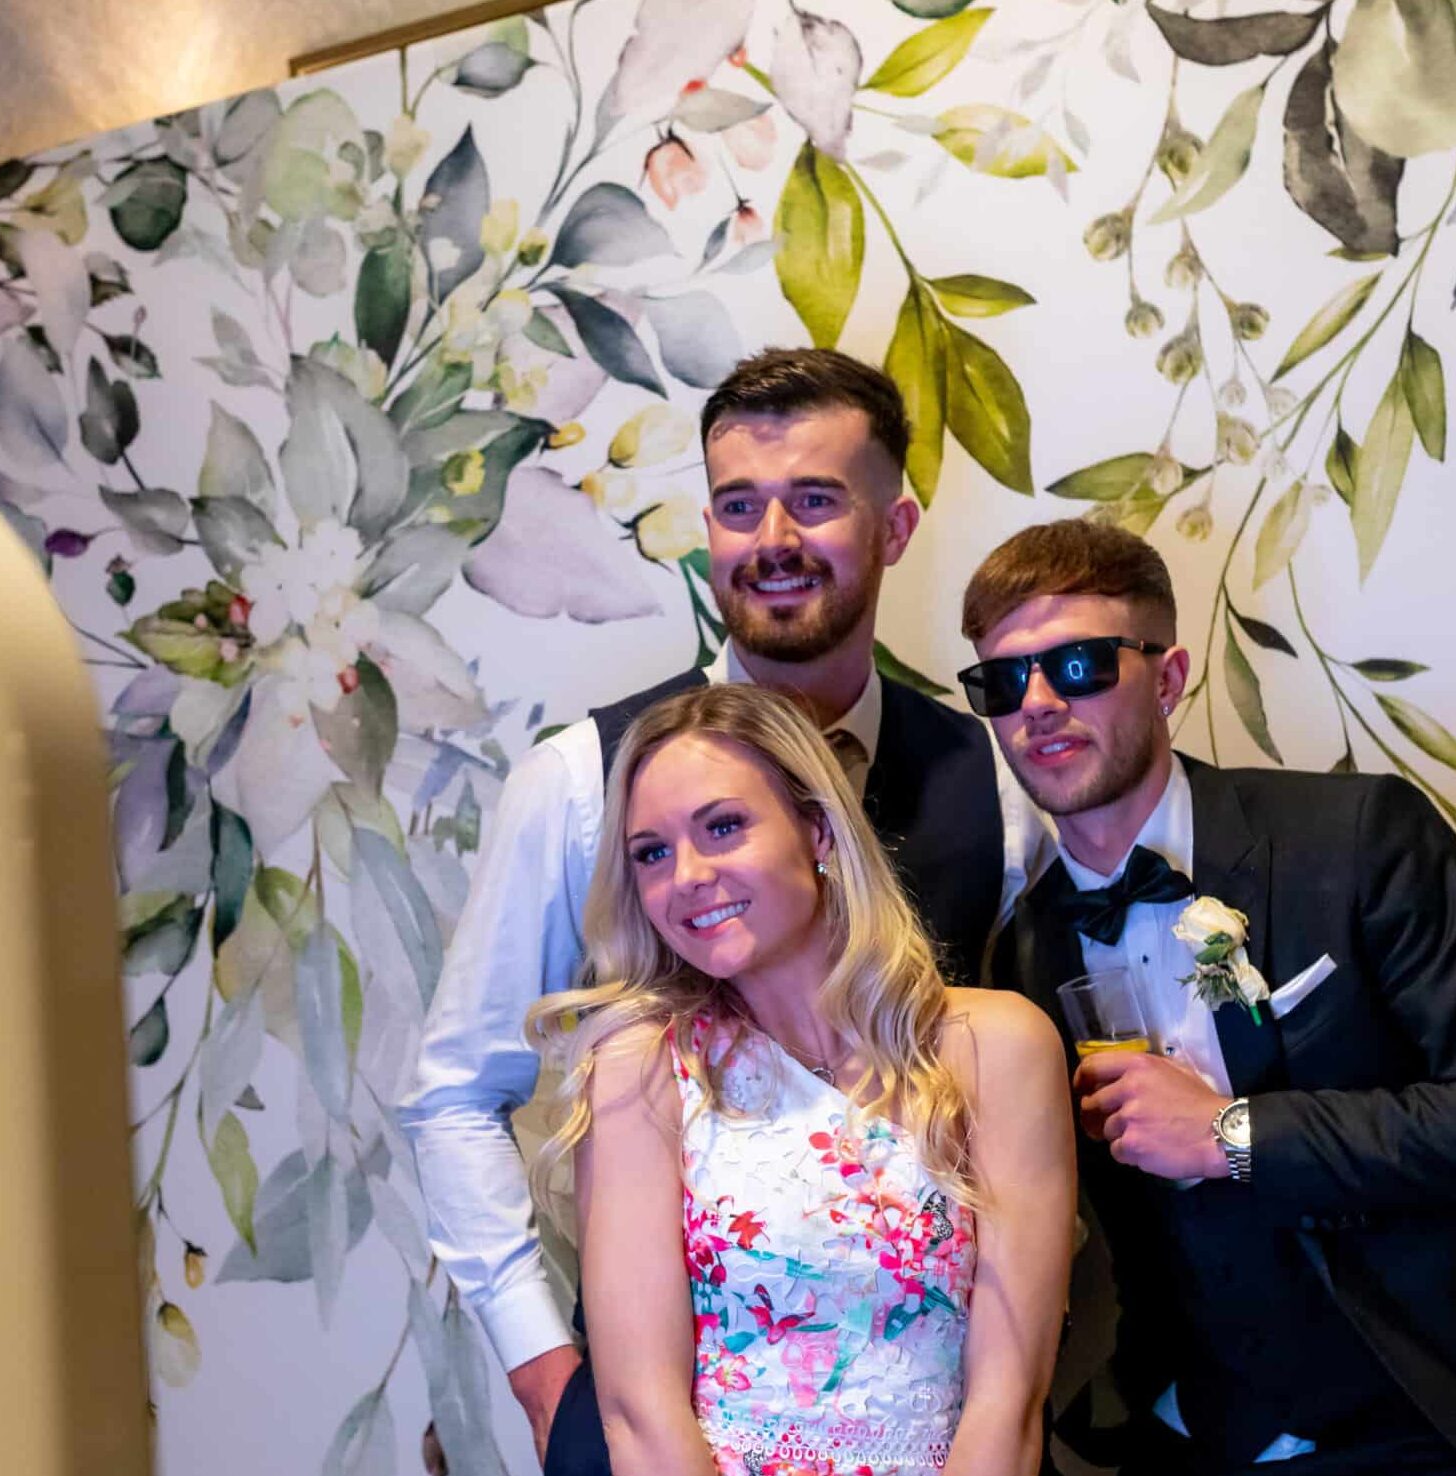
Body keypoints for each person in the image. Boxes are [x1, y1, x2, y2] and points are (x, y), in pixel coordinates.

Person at [400, 348, 1051, 1472]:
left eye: (814, 501)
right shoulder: (577, 778)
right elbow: (455, 1095)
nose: (774, 541)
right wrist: (547, 1373)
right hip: (655, 1424)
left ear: (891, 531)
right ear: (707, 529)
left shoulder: (996, 788)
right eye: (740, 507)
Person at [962, 519, 1456, 1476]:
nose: (1036, 703)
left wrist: (1234, 1135)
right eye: (1002, 681)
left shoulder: (1359, 837)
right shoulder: (1020, 951)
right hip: (1206, 1432)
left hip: (1442, 1413)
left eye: (1079, 666)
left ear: (1166, 677)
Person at [526, 683, 1074, 1476]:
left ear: (816, 827)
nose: (687, 875)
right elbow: (641, 1413)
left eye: (723, 827)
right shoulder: (639, 1065)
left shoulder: (999, 1046)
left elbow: (1010, 1398)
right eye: (652, 852)